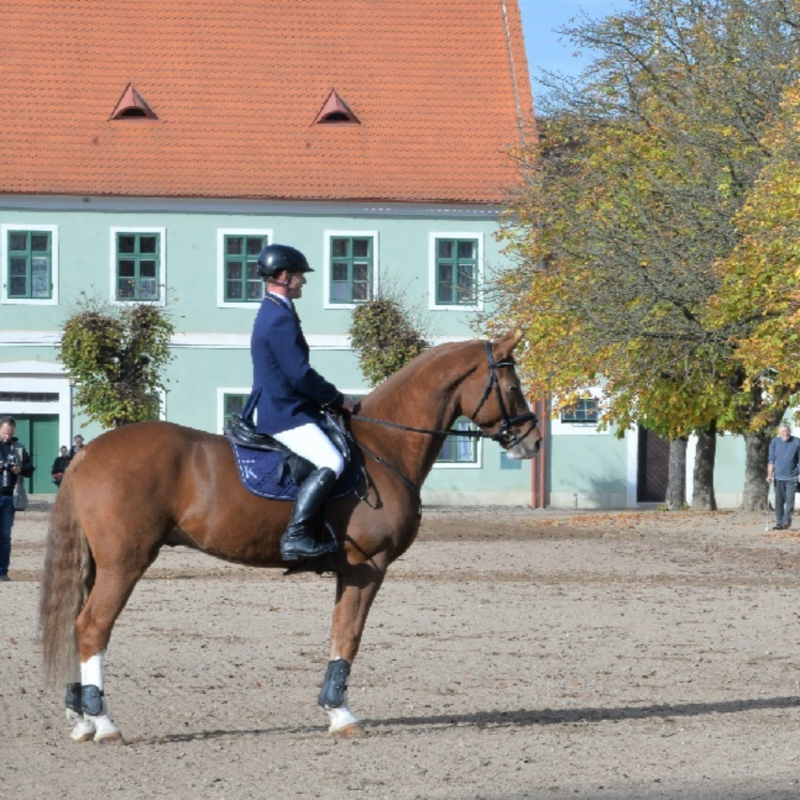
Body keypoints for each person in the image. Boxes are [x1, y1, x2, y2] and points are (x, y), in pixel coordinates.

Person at [243, 243, 356, 562]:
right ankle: (297, 536)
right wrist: (336, 399)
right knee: (331, 462)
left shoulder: (275, 310)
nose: (303, 281)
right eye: (299, 276)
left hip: (288, 405)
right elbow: (298, 374)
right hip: (284, 411)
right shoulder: (278, 317)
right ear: (283, 276)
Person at [0, 416, 35, 581]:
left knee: (5, 536)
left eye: (10, 433)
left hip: (10, 497)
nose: (8, 436)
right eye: (6, 432)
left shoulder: (19, 448)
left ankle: (2, 572)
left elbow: (30, 469)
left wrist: (19, 468)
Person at [767, 421, 800, 530]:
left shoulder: (796, 442)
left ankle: (787, 520)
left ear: (789, 431)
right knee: (779, 501)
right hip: (779, 477)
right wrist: (769, 475)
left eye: (785, 431)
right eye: (781, 432)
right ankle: (779, 523)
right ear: (779, 432)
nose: (784, 434)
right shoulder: (775, 442)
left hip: (792, 476)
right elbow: (771, 460)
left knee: (790, 500)